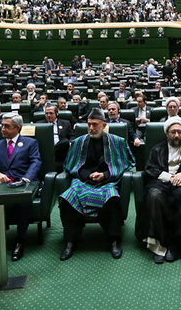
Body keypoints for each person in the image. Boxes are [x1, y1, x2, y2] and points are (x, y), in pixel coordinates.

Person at [58, 108, 135, 261]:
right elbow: (70, 165)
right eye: (89, 125)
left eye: (95, 124)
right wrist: (88, 175)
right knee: (67, 198)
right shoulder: (78, 142)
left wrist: (104, 175)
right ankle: (70, 241)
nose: (91, 128)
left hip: (107, 182)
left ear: (104, 125)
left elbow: (127, 163)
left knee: (112, 198)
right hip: (82, 181)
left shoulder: (117, 142)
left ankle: (114, 240)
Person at [0, 113, 42, 261]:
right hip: (2, 186)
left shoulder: (30, 143)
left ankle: (20, 240)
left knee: (23, 203)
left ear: (18, 128)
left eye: (7, 126)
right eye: (2, 125)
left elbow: (36, 162)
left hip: (24, 184)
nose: (3, 129)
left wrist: (26, 179)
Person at [142, 117, 181, 264]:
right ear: (167, 134)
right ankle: (159, 246)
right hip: (161, 182)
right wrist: (171, 178)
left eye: (179, 132)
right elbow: (150, 169)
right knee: (154, 196)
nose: (176, 135)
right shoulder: (157, 149)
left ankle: (177, 246)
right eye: (173, 132)